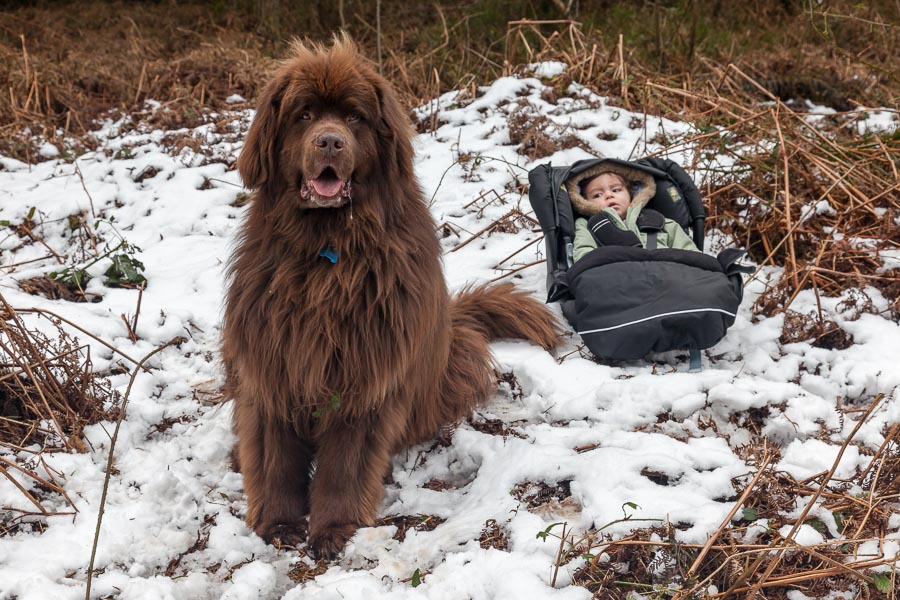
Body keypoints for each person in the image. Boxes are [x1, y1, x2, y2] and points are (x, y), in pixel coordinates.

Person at [568, 163, 698, 262]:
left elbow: (693, 257)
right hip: (616, 283)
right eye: (597, 195)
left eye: (616, 190)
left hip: (668, 280)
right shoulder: (586, 226)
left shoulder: (662, 223)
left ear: (632, 194)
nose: (609, 195)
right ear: (585, 201)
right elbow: (583, 258)